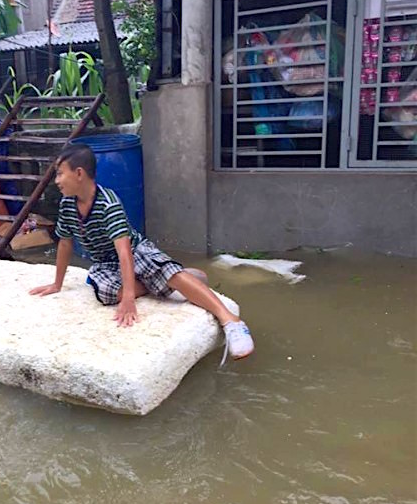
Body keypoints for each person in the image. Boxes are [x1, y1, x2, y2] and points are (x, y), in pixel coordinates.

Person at [29, 144, 255, 362]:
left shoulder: (108, 204)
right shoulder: (67, 205)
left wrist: (130, 297)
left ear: (79, 173)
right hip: (106, 262)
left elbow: (124, 251)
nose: (56, 180)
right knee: (105, 292)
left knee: (161, 271)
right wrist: (57, 284)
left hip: (135, 250)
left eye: (60, 174)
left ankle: (231, 321)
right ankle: (170, 279)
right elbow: (65, 244)